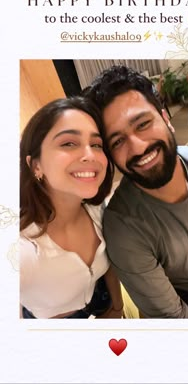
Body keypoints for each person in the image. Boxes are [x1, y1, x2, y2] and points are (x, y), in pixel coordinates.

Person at [88, 65, 188, 319]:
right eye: (118, 141)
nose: (137, 147)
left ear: (166, 118)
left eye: (143, 124)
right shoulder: (124, 227)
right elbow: (177, 316)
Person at [20, 95, 124, 319]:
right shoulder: (23, 246)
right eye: (68, 143)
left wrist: (117, 307)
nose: (90, 155)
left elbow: (111, 264)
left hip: (102, 300)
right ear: (35, 165)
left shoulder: (97, 210)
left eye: (96, 144)